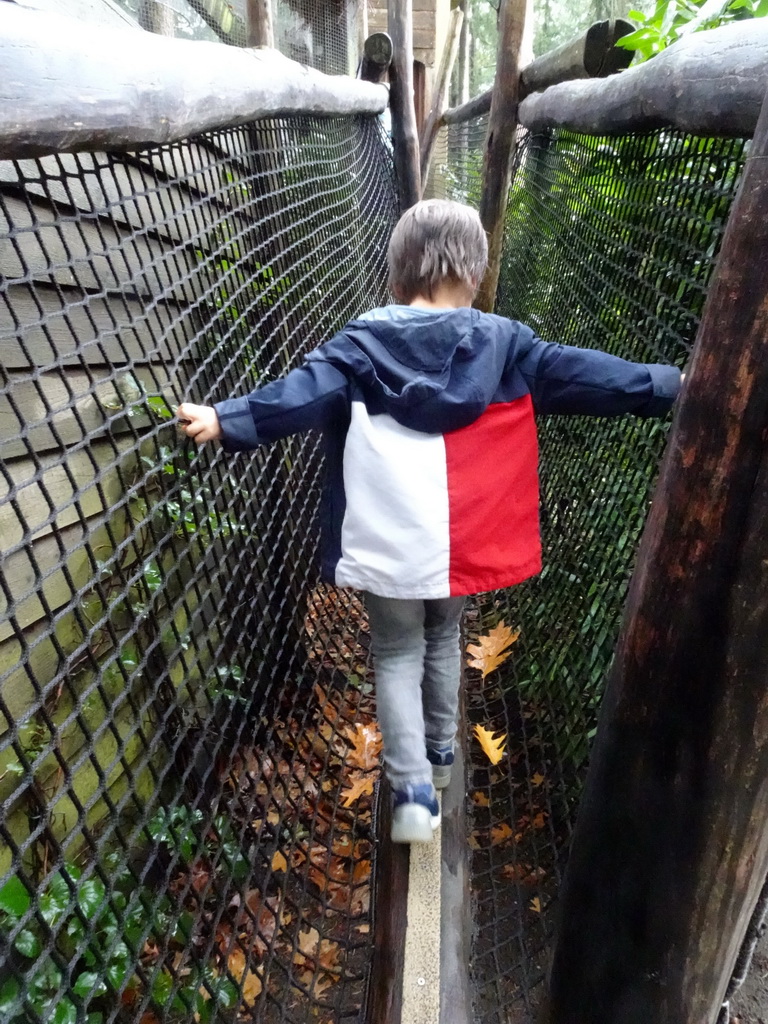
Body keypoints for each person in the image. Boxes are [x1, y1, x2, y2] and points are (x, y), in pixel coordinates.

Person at [177, 199, 682, 844]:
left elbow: (300, 394)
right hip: (461, 536)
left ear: (399, 271)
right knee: (444, 638)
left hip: (389, 537)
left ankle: (411, 788)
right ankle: (442, 756)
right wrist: (671, 384)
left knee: (394, 650)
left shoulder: (358, 345)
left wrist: (228, 418)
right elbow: (590, 375)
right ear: (474, 269)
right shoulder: (506, 344)